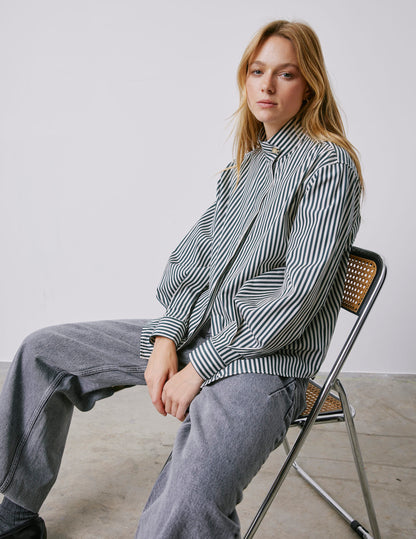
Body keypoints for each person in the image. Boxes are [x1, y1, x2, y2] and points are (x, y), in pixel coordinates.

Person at [0, 19, 362, 539]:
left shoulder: (328, 166)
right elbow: (192, 260)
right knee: (43, 352)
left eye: (286, 74)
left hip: (264, 363)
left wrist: (202, 367)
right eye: (257, 71)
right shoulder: (244, 167)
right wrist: (168, 338)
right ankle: (14, 519)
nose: (266, 85)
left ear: (309, 87)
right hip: (196, 335)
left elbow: (297, 298)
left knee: (188, 501)